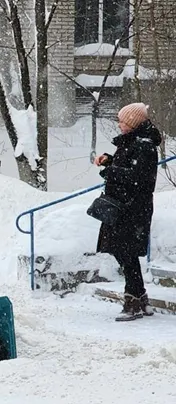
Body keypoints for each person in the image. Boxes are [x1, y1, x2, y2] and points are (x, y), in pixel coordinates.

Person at [93, 102, 161, 321]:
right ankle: (140, 297)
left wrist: (110, 172)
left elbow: (138, 178)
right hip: (125, 207)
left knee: (126, 253)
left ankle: (133, 302)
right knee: (123, 253)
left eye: (122, 121)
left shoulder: (144, 145)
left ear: (132, 123)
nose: (119, 124)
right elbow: (130, 167)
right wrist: (110, 160)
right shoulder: (134, 143)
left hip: (132, 209)